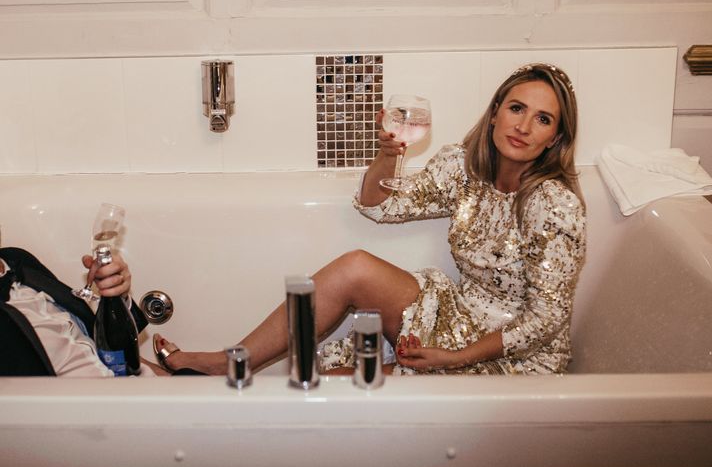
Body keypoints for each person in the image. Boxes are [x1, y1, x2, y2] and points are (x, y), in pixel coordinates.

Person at [154, 63, 586, 376]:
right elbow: (381, 206)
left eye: (543, 119)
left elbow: (546, 322)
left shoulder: (553, 206)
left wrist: (457, 358)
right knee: (355, 267)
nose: (524, 126)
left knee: (335, 384)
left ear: (555, 139)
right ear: (495, 112)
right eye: (516, 108)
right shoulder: (465, 168)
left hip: (513, 359)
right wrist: (388, 156)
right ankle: (233, 362)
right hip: (458, 316)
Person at [0, 246, 166, 376]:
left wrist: (118, 297)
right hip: (96, 410)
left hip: (130, 378)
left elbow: (93, 336)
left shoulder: (15, 258)